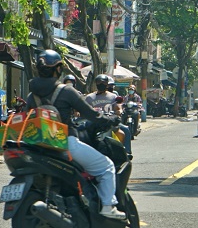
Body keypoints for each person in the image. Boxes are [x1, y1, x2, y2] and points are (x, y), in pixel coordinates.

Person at [27, 50, 127, 221]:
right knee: (107, 167)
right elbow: (91, 115)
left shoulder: (31, 96)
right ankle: (108, 206)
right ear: (58, 70)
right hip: (66, 144)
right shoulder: (66, 91)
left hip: (39, 147)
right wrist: (109, 120)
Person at [86, 74, 132, 154]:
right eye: (99, 82)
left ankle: (125, 152)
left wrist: (119, 111)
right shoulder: (89, 97)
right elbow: (85, 109)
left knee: (124, 131)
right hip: (94, 123)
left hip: (110, 121)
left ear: (107, 84)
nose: (101, 84)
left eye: (103, 83)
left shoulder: (113, 96)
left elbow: (118, 107)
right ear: (96, 84)